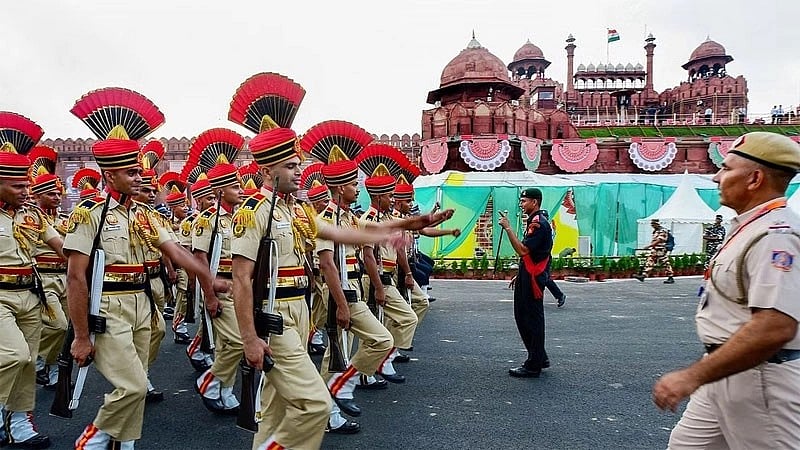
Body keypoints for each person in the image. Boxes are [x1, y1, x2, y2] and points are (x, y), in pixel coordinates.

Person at [65, 96, 226, 448]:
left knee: (139, 380)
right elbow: (76, 276)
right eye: (132, 172)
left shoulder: (144, 215)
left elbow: (175, 252)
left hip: (144, 303)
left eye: (140, 171)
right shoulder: (89, 213)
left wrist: (211, 279)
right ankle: (91, 439)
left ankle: (124, 443)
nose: (140, 178)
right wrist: (80, 335)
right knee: (134, 386)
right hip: (108, 308)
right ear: (110, 175)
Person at [653, 131, 800, 448]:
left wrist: (691, 377)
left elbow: (775, 326)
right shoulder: (749, 225)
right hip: (721, 371)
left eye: (726, 168)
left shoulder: (776, 235)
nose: (716, 177)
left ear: (754, 178)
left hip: (759, 377)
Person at [0, 149, 64, 449]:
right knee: (16, 355)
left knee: (27, 364)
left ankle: (19, 423)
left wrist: (84, 263)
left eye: (27, 185)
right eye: (18, 186)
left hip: (30, 293)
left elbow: (59, 244)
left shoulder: (33, 214)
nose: (27, 191)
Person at [499, 188, 553, 378]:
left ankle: (533, 364)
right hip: (529, 273)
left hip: (533, 277)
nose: (521, 205)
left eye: (524, 201)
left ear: (535, 202)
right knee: (527, 317)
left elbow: (523, 250)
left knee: (529, 319)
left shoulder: (538, 224)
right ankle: (540, 356)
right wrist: (520, 273)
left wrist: (507, 228)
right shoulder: (536, 221)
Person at [634, 219, 674, 283]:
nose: (652, 225)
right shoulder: (656, 231)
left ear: (657, 224)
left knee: (665, 262)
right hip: (655, 249)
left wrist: (649, 246)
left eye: (653, 224)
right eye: (651, 224)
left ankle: (670, 277)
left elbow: (659, 240)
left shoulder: (663, 231)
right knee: (650, 261)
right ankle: (643, 275)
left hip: (660, 249)